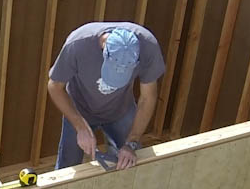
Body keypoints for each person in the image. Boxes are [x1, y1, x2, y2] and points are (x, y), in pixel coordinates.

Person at [48, 22, 165, 170]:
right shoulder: (78, 44)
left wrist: (131, 142)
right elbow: (54, 86)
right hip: (79, 109)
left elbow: (148, 97)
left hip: (121, 110)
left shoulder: (148, 47)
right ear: (104, 49)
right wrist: (79, 125)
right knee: (67, 168)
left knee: (132, 163)